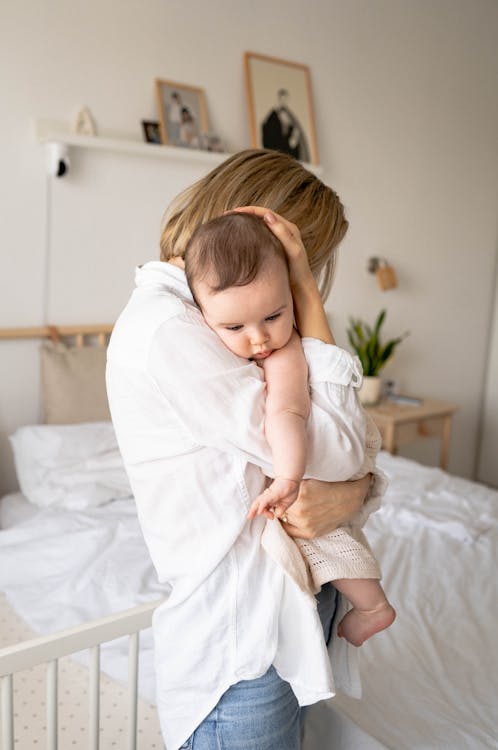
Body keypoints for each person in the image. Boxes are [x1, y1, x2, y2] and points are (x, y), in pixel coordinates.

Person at [106, 149, 387, 750]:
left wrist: (357, 485)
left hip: (287, 617)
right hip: (242, 652)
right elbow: (338, 449)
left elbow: (351, 452)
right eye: (306, 259)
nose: (256, 333)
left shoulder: (225, 320)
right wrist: (309, 299)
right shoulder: (173, 330)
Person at [184, 212, 395, 648]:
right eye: (234, 327)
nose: (260, 338)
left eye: (274, 316)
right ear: (200, 314)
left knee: (328, 542)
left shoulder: (283, 355)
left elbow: (286, 415)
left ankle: (374, 607)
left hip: (308, 476)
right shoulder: (185, 340)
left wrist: (288, 478)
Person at [261, 88, 310, 161]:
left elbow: (293, 131)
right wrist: (290, 142)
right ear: (279, 99)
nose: (284, 102)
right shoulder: (272, 118)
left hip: (288, 152)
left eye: (286, 100)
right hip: (278, 151)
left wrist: (293, 139)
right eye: (283, 100)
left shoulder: (288, 115)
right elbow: (271, 137)